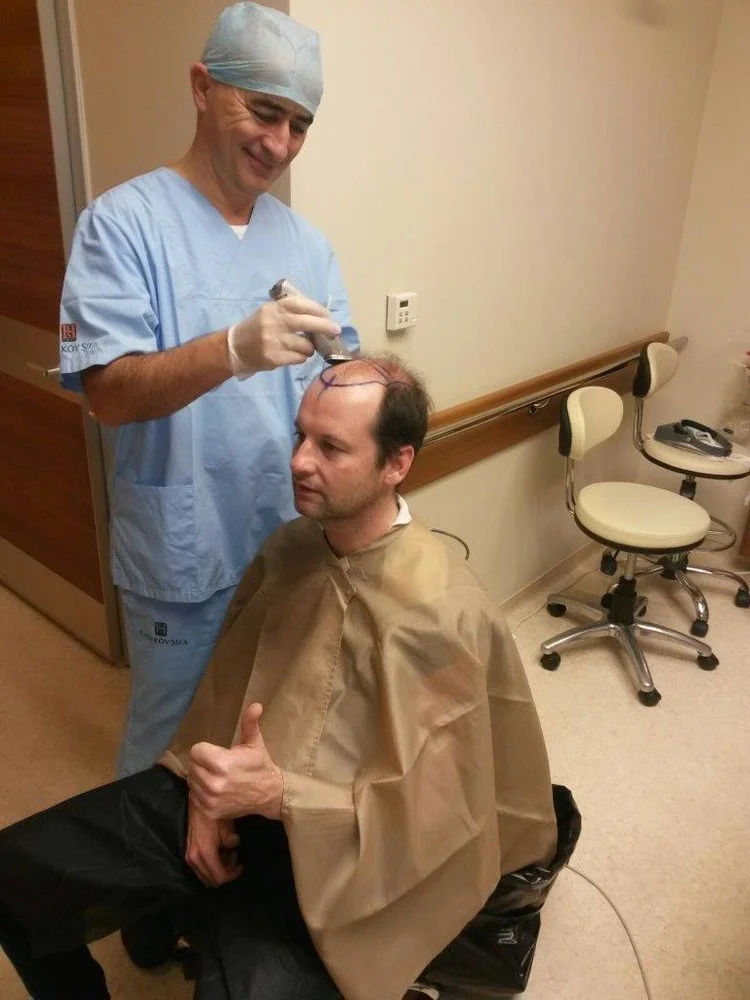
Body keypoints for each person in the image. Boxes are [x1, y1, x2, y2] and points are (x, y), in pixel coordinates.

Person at [0, 357, 558, 1000]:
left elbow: (435, 823)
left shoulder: (445, 616)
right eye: (300, 435)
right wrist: (205, 796)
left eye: (330, 447)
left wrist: (283, 796)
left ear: (397, 463)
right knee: (15, 878)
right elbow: (223, 695)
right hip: (239, 803)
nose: (298, 461)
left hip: (348, 865)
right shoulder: (290, 549)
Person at [58, 1, 359, 778]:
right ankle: (139, 853)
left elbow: (340, 373)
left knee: (269, 717)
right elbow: (109, 395)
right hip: (183, 545)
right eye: (263, 111)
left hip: (287, 537)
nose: (279, 143)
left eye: (299, 124)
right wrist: (231, 350)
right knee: (168, 740)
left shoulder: (307, 244)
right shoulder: (121, 226)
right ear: (202, 87)